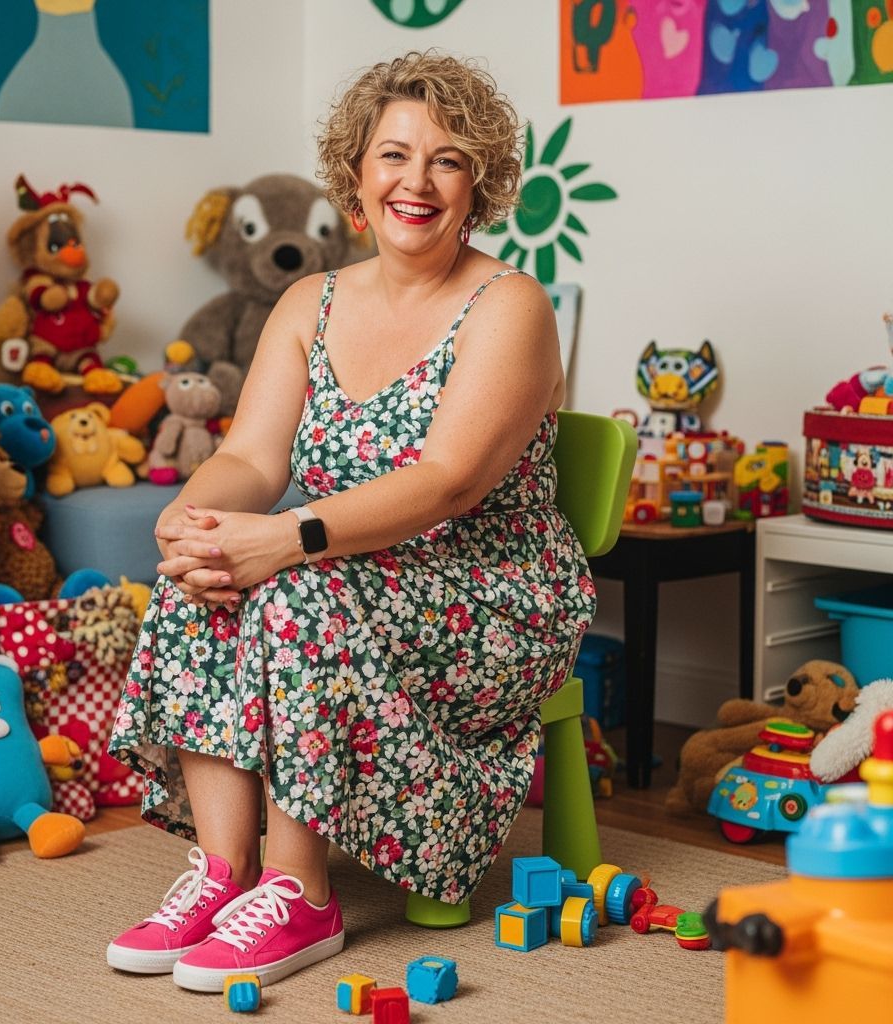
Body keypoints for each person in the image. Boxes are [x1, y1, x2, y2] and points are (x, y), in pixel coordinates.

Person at [105, 50, 596, 992]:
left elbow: (449, 482)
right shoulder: (309, 302)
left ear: (478, 184)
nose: (418, 181)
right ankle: (224, 870)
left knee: (293, 590)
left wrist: (285, 540)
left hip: (493, 590)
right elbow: (252, 460)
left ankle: (303, 894)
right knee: (203, 572)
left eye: (448, 160)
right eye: (395, 155)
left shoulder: (512, 306)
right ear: (357, 176)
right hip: (362, 572)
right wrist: (193, 517)